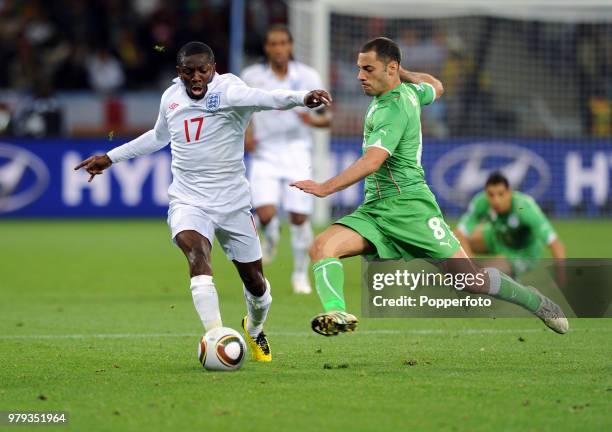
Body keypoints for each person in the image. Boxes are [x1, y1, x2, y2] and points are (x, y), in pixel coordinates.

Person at [291, 37, 568, 337]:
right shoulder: (411, 91)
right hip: (376, 211)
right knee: (322, 246)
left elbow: (372, 162)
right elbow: (436, 85)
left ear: (390, 68)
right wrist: (403, 74)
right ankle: (336, 312)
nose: (360, 76)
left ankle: (535, 301)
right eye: (359, 68)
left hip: (412, 209)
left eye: (368, 69)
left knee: (471, 283)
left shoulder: (393, 109)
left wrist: (326, 188)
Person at [75, 41, 331, 361]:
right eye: (188, 71)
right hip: (188, 200)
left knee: (257, 286)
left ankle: (253, 329)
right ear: (178, 72)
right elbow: (157, 137)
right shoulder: (171, 97)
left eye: (202, 71)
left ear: (214, 68)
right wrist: (111, 157)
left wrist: (301, 98)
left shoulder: (229, 91)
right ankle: (217, 336)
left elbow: (266, 99)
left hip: (233, 203)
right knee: (197, 254)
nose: (196, 78)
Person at [241, 25, 331, 294]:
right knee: (266, 214)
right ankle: (270, 236)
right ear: (267, 48)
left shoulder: (307, 76)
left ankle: (300, 274)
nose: (278, 48)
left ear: (290, 46)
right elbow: (242, 110)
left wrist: (312, 121)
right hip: (265, 153)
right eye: (273, 44)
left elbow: (327, 119)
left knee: (299, 217)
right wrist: (246, 134)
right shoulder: (252, 76)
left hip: (296, 153)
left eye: (283, 43)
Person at [454, 171, 565, 278]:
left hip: (522, 253)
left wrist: (561, 279)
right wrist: (469, 262)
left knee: (483, 275)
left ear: (509, 193)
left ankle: (511, 276)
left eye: (501, 194)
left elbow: (556, 244)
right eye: (491, 195)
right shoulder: (481, 202)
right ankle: (447, 273)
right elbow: (459, 233)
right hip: (497, 238)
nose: (496, 200)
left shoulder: (523, 208)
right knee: (455, 243)